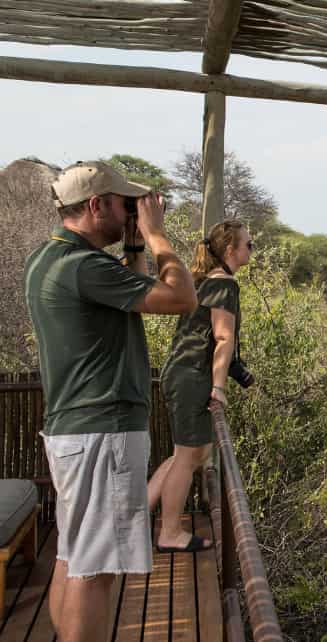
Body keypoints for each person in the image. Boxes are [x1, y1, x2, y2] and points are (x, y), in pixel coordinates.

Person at [24, 160, 197, 642]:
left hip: (74, 429)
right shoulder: (85, 267)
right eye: (125, 206)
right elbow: (182, 298)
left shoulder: (48, 258)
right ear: (96, 205)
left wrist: (136, 245)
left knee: (74, 555)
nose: (131, 215)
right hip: (103, 429)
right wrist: (158, 235)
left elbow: (130, 293)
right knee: (96, 571)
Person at [147, 220, 253, 554]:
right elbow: (222, 339)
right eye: (249, 244)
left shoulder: (207, 281)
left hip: (182, 372)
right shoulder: (224, 284)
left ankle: (134, 517)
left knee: (189, 451)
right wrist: (218, 388)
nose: (252, 249)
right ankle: (169, 533)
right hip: (192, 375)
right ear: (231, 250)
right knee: (189, 457)